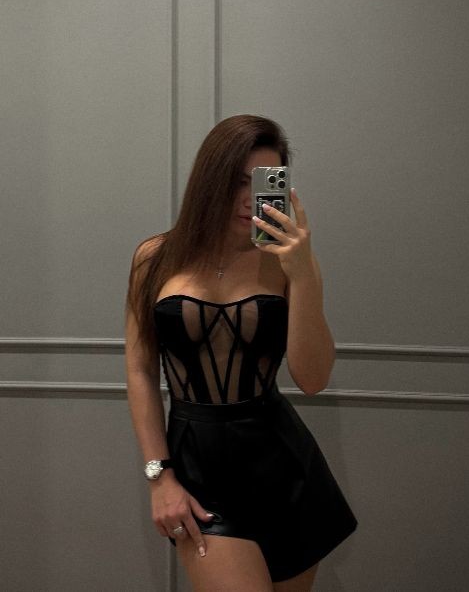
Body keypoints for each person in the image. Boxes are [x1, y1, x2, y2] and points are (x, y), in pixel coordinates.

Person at [125, 114, 357, 592]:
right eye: (237, 181)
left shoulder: (291, 263)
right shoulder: (155, 257)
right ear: (209, 180)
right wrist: (159, 477)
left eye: (264, 181)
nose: (250, 197)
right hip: (197, 468)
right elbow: (141, 370)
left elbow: (313, 379)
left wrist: (302, 273)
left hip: (286, 470)